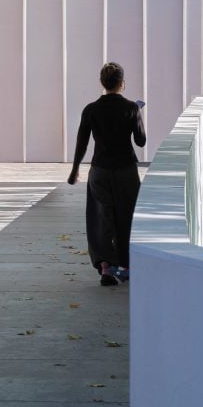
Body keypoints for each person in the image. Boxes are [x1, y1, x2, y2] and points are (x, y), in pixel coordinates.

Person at [67, 62, 146, 287]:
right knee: (126, 218)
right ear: (122, 83)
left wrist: (74, 171)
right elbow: (141, 140)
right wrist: (138, 115)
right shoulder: (131, 107)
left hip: (100, 170)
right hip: (126, 171)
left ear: (102, 83)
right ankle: (126, 266)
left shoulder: (90, 109)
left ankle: (105, 269)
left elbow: (82, 143)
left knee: (101, 218)